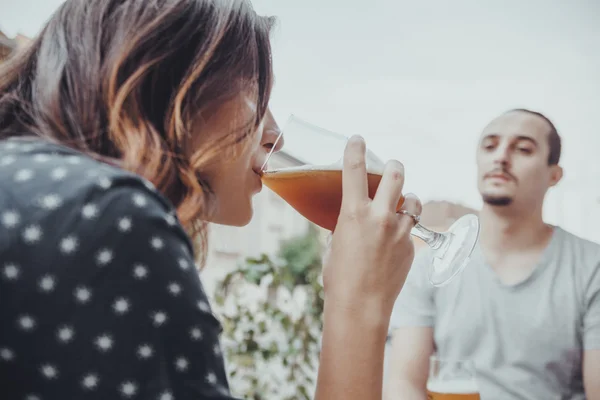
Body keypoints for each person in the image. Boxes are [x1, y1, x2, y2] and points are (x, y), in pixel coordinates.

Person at [0, 0, 422, 399]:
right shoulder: (111, 216)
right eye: (257, 94)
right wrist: (358, 302)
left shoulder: (33, 188)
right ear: (169, 78)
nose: (274, 133)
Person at [385, 109, 600, 399]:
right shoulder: (429, 265)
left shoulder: (591, 267)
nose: (500, 156)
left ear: (554, 174)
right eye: (489, 146)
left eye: (523, 148)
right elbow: (405, 386)